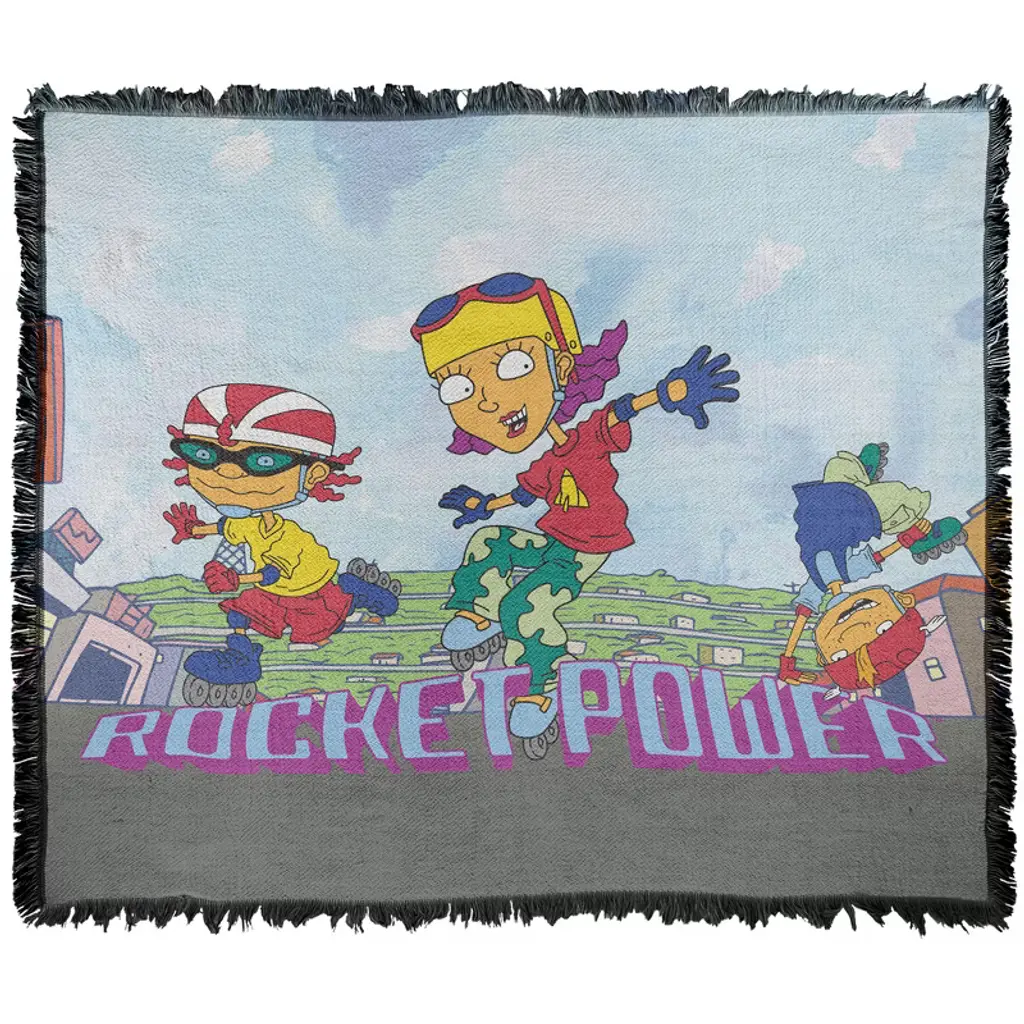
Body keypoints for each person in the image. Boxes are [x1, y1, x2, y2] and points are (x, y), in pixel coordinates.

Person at [410, 272, 740, 757]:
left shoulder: (588, 435)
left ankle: (539, 689)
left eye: (513, 365)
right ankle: (480, 615)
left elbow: (622, 411)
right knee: (488, 541)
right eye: (458, 388)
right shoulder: (547, 461)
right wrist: (483, 506)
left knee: (524, 605)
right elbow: (522, 496)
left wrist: (666, 393)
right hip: (554, 539)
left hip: (586, 548)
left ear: (561, 367)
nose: (486, 399)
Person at [162, 383, 364, 707]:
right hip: (274, 591)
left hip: (307, 588)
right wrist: (193, 529)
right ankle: (242, 657)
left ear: (313, 474)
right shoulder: (251, 522)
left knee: (330, 617)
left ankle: (360, 591)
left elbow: (270, 573)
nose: (227, 472)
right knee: (238, 612)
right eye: (204, 455)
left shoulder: (286, 537)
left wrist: (236, 579)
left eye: (263, 460)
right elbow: (226, 527)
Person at [777, 444, 966, 698]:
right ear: (902, 601)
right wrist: (905, 540)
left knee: (837, 468)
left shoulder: (819, 581)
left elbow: (803, 612)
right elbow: (875, 558)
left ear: (822, 657)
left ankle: (857, 475)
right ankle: (918, 536)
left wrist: (787, 663)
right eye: (883, 627)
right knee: (895, 500)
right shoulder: (845, 572)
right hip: (857, 517)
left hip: (820, 512)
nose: (858, 625)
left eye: (840, 653)